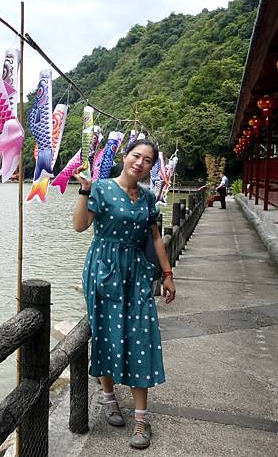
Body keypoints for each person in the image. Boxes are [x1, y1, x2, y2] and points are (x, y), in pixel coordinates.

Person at [72, 139, 176, 450]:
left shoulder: (147, 198)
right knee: (105, 334)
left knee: (140, 337)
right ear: (125, 156)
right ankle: (108, 398)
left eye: (147, 160)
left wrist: (168, 275)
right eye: (136, 156)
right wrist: (84, 190)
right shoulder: (101, 188)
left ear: (151, 166)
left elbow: (156, 239)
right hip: (103, 269)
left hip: (137, 272)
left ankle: (142, 420)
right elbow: (79, 226)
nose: (140, 163)